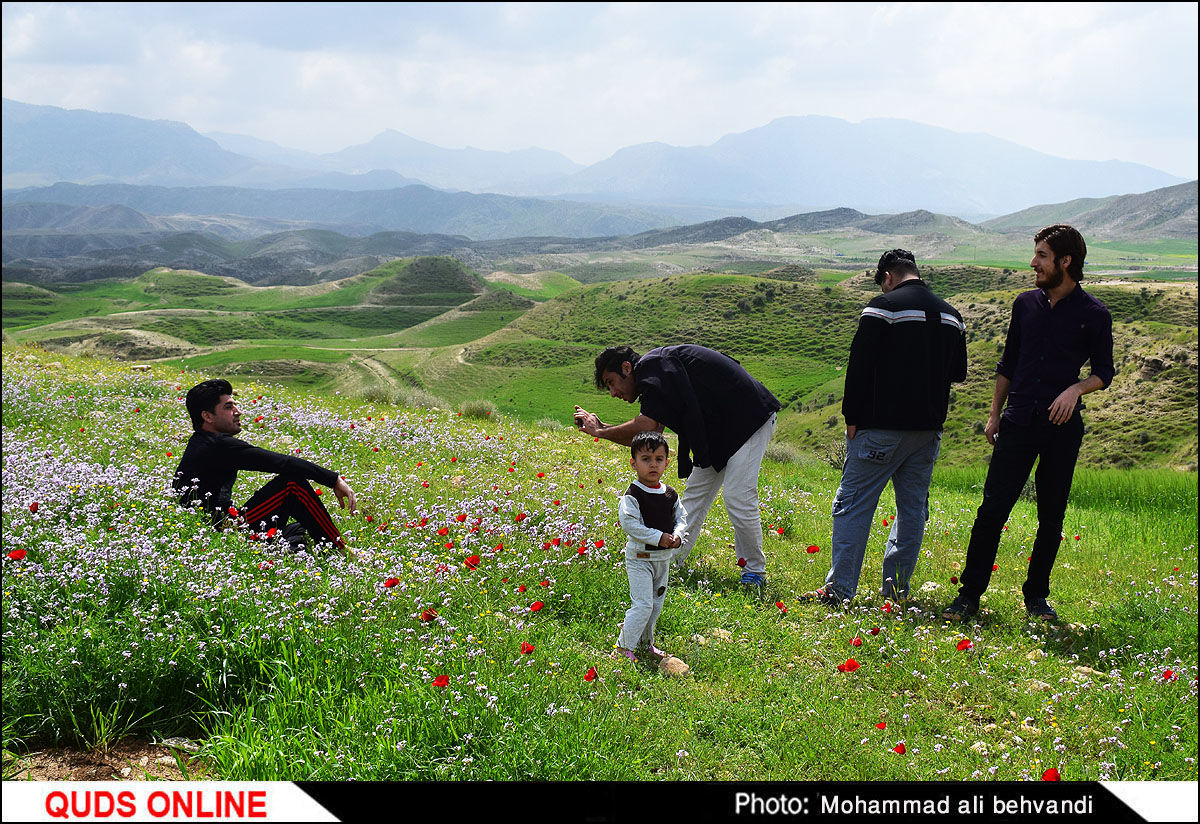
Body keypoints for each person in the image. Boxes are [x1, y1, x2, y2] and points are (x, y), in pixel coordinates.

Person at [942, 224, 1114, 622]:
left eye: (1041, 255)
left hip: (1061, 428)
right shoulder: (1024, 304)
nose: (1033, 262)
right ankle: (968, 597)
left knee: (1051, 518)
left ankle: (1036, 598)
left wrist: (1075, 390)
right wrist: (993, 413)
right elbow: (1009, 362)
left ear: (1065, 262)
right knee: (991, 512)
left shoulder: (1094, 314)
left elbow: (1104, 372)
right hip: (1017, 422)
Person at [802, 250, 967, 606]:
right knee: (912, 510)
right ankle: (895, 591)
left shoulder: (883, 306)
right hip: (927, 431)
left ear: (887, 276)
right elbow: (958, 374)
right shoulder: (953, 316)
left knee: (853, 505)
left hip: (880, 428)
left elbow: (858, 365)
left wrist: (851, 417)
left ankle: (840, 589)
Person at [574, 343, 780, 587]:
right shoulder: (654, 375)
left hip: (749, 420)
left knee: (738, 496)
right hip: (717, 434)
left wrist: (601, 430)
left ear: (626, 368)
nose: (613, 393)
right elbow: (649, 437)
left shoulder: (653, 367)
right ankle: (669, 562)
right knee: (693, 499)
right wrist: (603, 429)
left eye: (611, 382)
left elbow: (648, 427)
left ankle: (754, 572)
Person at [173, 379, 357, 552]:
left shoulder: (202, 442)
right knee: (292, 485)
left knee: (302, 524)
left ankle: (291, 545)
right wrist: (333, 480)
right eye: (228, 407)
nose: (238, 411)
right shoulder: (218, 445)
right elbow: (282, 463)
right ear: (207, 416)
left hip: (211, 527)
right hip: (223, 531)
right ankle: (339, 550)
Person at [615, 431, 688, 669]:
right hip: (639, 558)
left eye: (658, 458)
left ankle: (647, 642)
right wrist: (659, 537)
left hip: (662, 560)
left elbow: (681, 518)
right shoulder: (632, 495)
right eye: (645, 459)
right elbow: (630, 525)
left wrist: (677, 536)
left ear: (667, 462)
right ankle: (624, 647)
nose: (653, 464)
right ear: (633, 463)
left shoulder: (669, 494)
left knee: (656, 605)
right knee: (643, 604)